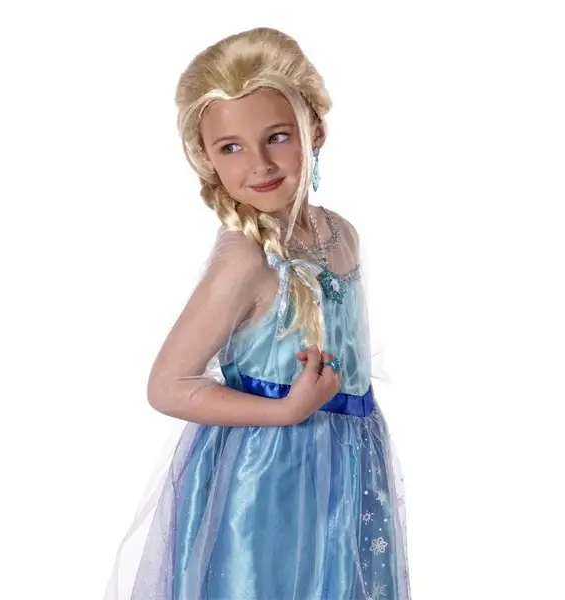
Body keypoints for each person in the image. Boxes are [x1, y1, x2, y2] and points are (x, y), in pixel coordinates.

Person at [103, 26, 411, 600]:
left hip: (346, 465)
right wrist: (287, 411)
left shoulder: (342, 235)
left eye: (277, 136)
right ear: (207, 159)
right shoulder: (245, 260)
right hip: (267, 474)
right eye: (231, 148)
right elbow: (167, 385)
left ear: (315, 131)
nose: (260, 164)